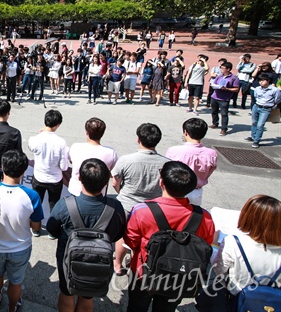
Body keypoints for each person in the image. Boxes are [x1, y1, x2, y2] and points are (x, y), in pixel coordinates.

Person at [125, 161, 215, 312]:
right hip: (181, 275)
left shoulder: (142, 210)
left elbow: (131, 241)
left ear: (161, 183)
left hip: (143, 272)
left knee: (136, 307)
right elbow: (206, 245)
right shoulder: (204, 217)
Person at [47, 158, 126, 312]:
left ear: (80, 178)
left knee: (67, 292)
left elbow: (52, 229)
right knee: (87, 296)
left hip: (67, 258)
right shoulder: (115, 207)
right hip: (98, 261)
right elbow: (117, 235)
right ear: (105, 183)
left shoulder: (65, 204)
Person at [201, 195, 281, 311]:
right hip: (271, 303)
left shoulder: (233, 242)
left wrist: (214, 245)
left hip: (235, 298)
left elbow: (218, 269)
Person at [112, 123, 169, 275]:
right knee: (145, 238)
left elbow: (115, 182)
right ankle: (134, 262)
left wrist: (121, 192)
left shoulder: (126, 160)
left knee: (123, 236)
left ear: (138, 139)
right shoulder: (166, 163)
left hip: (127, 205)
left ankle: (117, 264)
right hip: (153, 209)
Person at [0, 150, 43, 312]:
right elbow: (36, 227)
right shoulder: (31, 196)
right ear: (24, 171)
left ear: (2, 168)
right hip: (20, 248)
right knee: (15, 281)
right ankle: (12, 307)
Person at [28, 110, 69, 233]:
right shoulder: (61, 142)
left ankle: (35, 229)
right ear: (57, 125)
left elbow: (32, 147)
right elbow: (64, 167)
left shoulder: (34, 139)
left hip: (39, 177)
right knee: (54, 206)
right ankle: (52, 231)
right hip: (55, 180)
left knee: (36, 204)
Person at [165, 118, 217, 206]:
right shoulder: (212, 153)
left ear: (185, 132)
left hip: (177, 191)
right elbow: (210, 171)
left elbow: (167, 170)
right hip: (196, 191)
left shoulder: (173, 151)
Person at [68, 117, 117, 197]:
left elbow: (71, 161)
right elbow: (113, 172)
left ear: (86, 132)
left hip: (76, 190)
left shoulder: (75, 147)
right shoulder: (110, 152)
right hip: (99, 192)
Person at [246, 74, 281, 148]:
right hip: (256, 106)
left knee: (260, 125)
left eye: (262, 80)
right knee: (254, 122)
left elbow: (277, 99)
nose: (260, 82)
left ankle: (257, 140)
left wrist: (272, 105)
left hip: (266, 109)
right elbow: (255, 97)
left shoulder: (275, 90)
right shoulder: (257, 88)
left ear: (268, 81)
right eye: (259, 81)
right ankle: (253, 136)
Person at [209, 61, 240, 136]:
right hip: (215, 96)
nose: (221, 69)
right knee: (214, 111)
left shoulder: (234, 78)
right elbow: (214, 83)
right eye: (221, 68)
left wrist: (227, 89)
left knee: (224, 114)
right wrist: (214, 86)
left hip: (224, 99)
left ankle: (224, 128)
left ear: (228, 69)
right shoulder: (219, 76)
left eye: (223, 68)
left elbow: (236, 89)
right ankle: (215, 123)